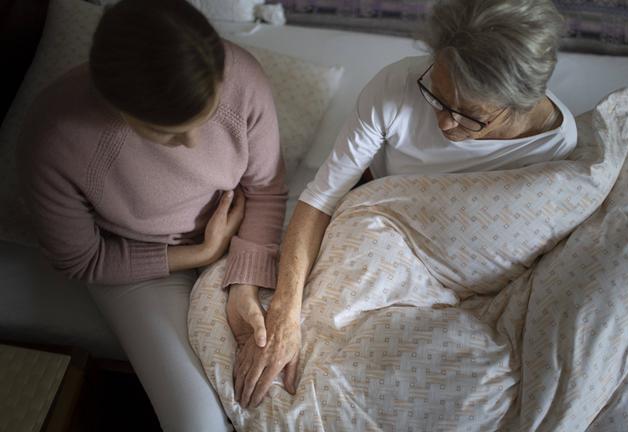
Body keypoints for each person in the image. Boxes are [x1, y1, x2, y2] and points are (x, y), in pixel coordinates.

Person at [233, 0, 577, 408]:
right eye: (438, 96)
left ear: (518, 103)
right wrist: (286, 317)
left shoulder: (554, 146)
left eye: (470, 116)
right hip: (372, 211)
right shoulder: (398, 84)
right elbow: (322, 197)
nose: (445, 124)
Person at [17, 0, 287, 429]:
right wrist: (201, 253)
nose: (195, 144)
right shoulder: (53, 139)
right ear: (118, 107)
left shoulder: (243, 76)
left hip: (241, 231)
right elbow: (82, 259)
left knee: (287, 387)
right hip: (140, 267)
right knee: (197, 420)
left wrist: (244, 283)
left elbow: (267, 189)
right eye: (171, 133)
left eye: (206, 116)